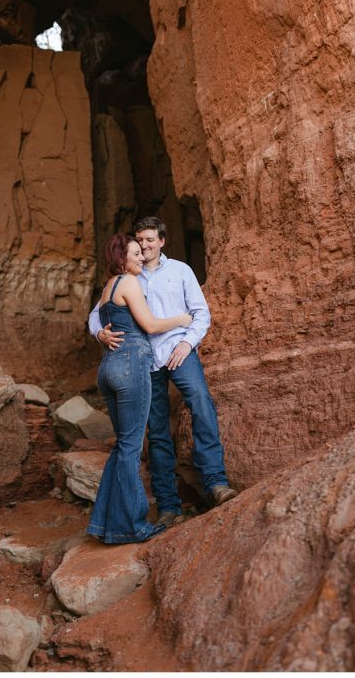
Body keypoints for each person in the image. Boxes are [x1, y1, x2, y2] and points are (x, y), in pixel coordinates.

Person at [88, 217, 236, 529]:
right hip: (144, 363)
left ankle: (216, 483)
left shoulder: (180, 271)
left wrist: (187, 342)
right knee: (156, 431)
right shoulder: (131, 273)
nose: (144, 246)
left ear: (162, 241)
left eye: (150, 240)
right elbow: (97, 313)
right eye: (140, 240)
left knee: (200, 403)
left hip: (178, 350)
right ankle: (169, 506)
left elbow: (200, 313)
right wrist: (100, 334)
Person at [87, 233, 193, 543]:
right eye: (134, 253)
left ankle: (106, 525)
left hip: (108, 367)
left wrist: (100, 335)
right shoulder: (129, 282)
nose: (140, 257)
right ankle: (133, 525)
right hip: (131, 363)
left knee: (122, 446)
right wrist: (181, 318)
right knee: (132, 448)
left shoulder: (109, 287)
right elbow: (149, 326)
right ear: (121, 258)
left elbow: (98, 319)